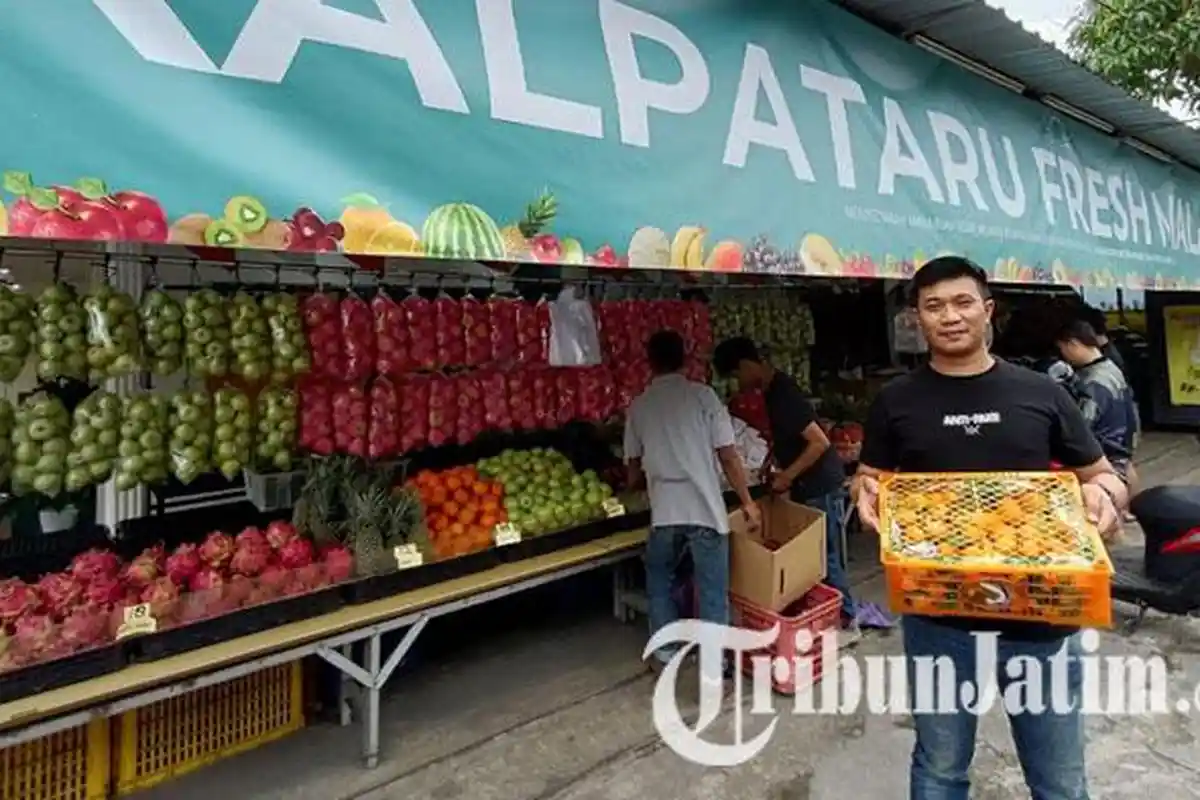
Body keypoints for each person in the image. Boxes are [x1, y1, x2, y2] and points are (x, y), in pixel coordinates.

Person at [851, 256, 1127, 800]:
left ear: (987, 310)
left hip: (1042, 619)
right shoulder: (895, 401)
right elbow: (870, 477)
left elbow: (1105, 476)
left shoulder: (1042, 393)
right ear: (917, 319)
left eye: (962, 302)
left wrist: (1104, 495)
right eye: (933, 306)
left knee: (1060, 781)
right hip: (939, 617)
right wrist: (864, 492)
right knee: (940, 770)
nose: (949, 316)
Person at [624, 330, 761, 689]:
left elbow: (633, 469)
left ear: (649, 362)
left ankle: (666, 653)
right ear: (685, 359)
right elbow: (728, 455)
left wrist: (640, 482)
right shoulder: (703, 397)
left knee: (659, 579)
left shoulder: (639, 405)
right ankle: (714, 669)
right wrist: (747, 502)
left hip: (665, 513)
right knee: (713, 591)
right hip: (705, 511)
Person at [712, 336, 858, 622]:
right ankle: (827, 615)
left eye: (734, 375)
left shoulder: (783, 394)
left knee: (822, 555)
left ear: (746, 365)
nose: (735, 383)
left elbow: (819, 442)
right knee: (812, 556)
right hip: (808, 483)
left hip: (820, 484)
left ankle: (845, 616)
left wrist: (788, 476)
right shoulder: (770, 391)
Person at [1054, 318, 1139, 480]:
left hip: (1104, 457)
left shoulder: (1093, 382)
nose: (1063, 355)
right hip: (1123, 453)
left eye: (1062, 348)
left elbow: (1081, 429)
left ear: (1073, 344)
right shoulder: (1112, 369)